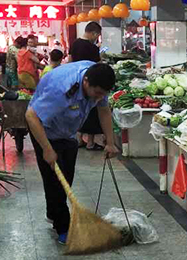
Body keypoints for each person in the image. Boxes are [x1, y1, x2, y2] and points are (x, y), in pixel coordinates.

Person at [25, 60, 118, 244]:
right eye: (97, 93)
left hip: (67, 132)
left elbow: (104, 110)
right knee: (56, 182)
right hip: (44, 130)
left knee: (66, 178)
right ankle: (63, 228)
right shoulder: (62, 89)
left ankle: (53, 213)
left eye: (103, 94)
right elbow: (31, 116)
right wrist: (47, 149)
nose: (100, 97)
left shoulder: (99, 81)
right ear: (86, 82)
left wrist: (110, 142)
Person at [69, 21, 104, 150]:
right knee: (91, 110)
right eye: (97, 35)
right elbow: (98, 65)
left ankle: (78, 139)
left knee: (78, 109)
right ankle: (90, 142)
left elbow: (70, 61)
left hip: (76, 81)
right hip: (90, 82)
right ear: (93, 33)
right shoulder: (92, 48)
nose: (96, 38)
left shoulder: (75, 43)